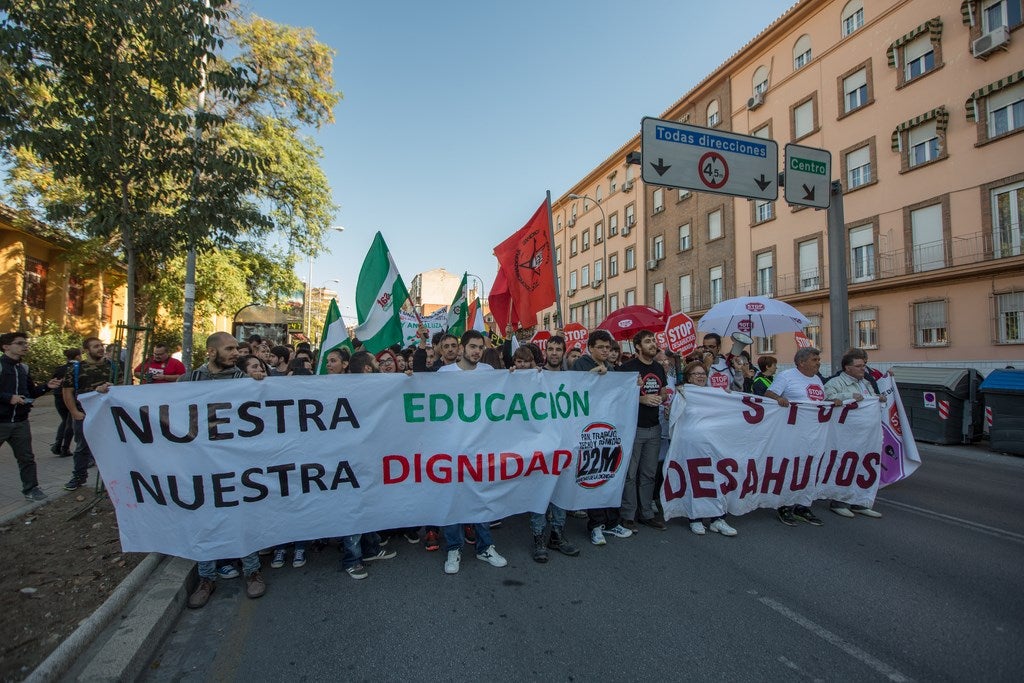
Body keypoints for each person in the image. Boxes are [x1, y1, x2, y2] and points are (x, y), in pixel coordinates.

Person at [184, 333, 267, 607]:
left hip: (236, 463)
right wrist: (109, 393)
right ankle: (206, 577)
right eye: (229, 349)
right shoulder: (191, 380)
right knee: (206, 521)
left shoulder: (242, 381)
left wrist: (260, 386)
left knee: (242, 517)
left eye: (235, 348)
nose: (235, 353)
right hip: (202, 463)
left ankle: (252, 570)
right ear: (211, 352)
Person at [433, 331, 508, 574]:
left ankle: (485, 547)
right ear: (462, 348)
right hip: (451, 449)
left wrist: (533, 377)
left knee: (481, 498)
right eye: (472, 346)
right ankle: (454, 548)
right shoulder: (444, 374)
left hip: (480, 448)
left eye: (480, 347)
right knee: (452, 499)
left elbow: (513, 389)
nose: (477, 351)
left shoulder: (488, 372)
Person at [763, 347, 841, 528]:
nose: (818, 363)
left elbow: (816, 404)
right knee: (790, 468)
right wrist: (779, 399)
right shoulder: (787, 376)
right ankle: (784, 505)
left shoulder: (817, 379)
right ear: (802, 362)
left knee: (810, 468)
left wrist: (831, 402)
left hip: (814, 434)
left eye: (818, 360)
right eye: (815, 360)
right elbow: (768, 395)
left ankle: (803, 505)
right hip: (792, 433)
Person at [572, 329, 633, 545]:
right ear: (590, 348)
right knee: (594, 474)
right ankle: (596, 525)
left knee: (611, 473)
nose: (606, 351)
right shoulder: (582, 364)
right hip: (590, 430)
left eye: (608, 348)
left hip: (610, 428)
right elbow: (576, 389)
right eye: (601, 347)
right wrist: (591, 376)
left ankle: (612, 522)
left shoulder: (613, 368)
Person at [616, 330, 668, 532]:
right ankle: (628, 515)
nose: (653, 344)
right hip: (633, 428)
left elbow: (663, 391)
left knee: (648, 473)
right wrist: (640, 399)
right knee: (630, 474)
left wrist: (660, 399)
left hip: (653, 428)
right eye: (648, 341)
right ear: (638, 347)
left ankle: (647, 513)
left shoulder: (658, 368)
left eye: (653, 340)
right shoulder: (627, 368)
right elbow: (618, 397)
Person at [679, 360, 738, 537]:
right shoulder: (683, 394)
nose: (700, 377)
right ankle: (695, 518)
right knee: (695, 482)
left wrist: (728, 396)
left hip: (715, 446)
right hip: (691, 447)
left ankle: (717, 519)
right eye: (696, 374)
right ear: (688, 377)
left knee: (717, 481)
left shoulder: (715, 394)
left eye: (703, 374)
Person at [1, 332, 62, 501]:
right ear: (6, 346)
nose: (25, 346)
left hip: (21, 422)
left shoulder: (23, 368)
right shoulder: (0, 366)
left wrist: (46, 387)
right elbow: (8, 396)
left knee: (27, 458)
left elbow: (30, 393)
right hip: (1, 421)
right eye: (20, 343)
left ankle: (31, 489)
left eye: (25, 343)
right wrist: (8, 397)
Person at [824, 351, 885, 519]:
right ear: (847, 368)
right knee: (845, 465)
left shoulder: (865, 383)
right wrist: (849, 396)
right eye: (858, 366)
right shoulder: (836, 383)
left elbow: (870, 401)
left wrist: (877, 399)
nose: (863, 369)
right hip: (846, 434)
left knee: (864, 466)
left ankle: (861, 502)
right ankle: (839, 501)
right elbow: (827, 399)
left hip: (867, 435)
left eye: (863, 366)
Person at [62, 337, 117, 492]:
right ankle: (79, 477)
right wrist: (74, 412)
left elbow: (124, 387)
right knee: (82, 448)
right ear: (86, 350)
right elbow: (67, 392)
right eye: (95, 346)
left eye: (101, 345)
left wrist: (113, 388)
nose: (100, 348)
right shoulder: (76, 369)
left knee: (111, 448)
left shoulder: (113, 367)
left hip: (107, 415)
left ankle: (111, 480)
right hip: (85, 415)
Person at [49, 347, 80, 457]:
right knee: (70, 422)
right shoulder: (78, 368)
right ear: (77, 356)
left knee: (64, 421)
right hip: (71, 396)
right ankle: (64, 447)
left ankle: (58, 445)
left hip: (58, 396)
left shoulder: (60, 368)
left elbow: (54, 380)